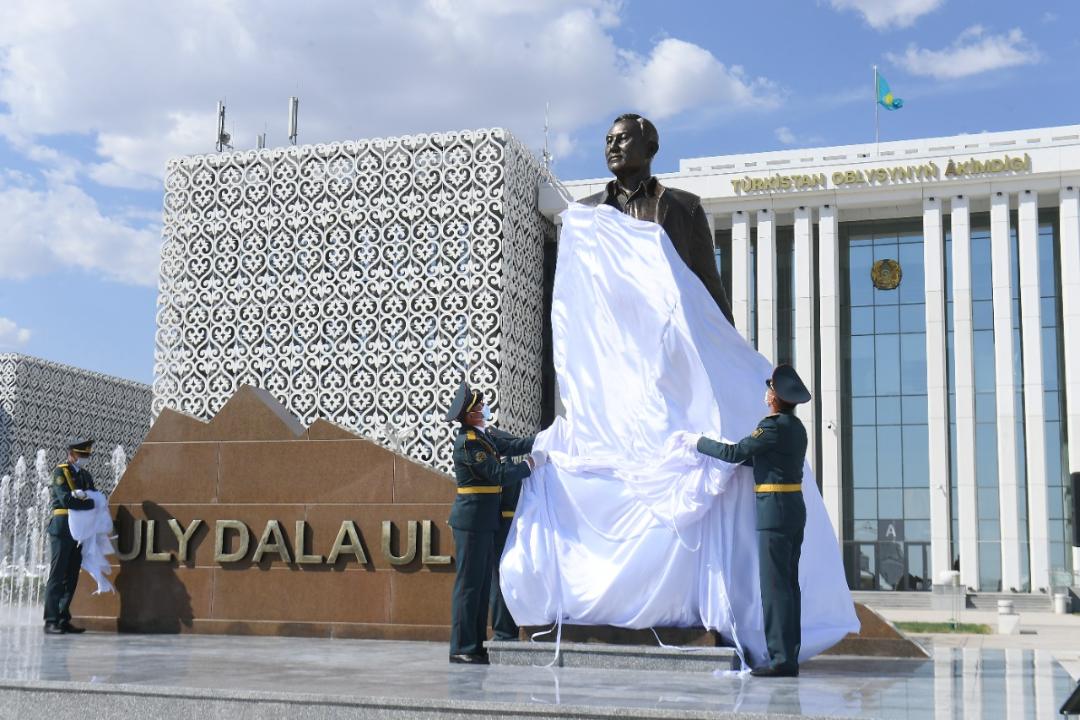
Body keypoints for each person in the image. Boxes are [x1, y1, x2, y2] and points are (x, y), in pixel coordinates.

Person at [696, 365, 810, 677]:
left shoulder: (771, 427)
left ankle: (779, 660)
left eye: (769, 388)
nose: (766, 393)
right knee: (788, 586)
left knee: (774, 588)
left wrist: (699, 443)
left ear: (775, 398)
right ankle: (788, 656)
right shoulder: (795, 428)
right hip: (793, 508)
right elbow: (758, 457)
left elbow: (735, 453)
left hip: (773, 510)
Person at [579, 112, 734, 325]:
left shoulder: (684, 207)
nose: (613, 147)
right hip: (607, 335)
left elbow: (709, 283)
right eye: (608, 141)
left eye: (622, 138)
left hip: (666, 332)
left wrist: (728, 343)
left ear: (650, 149)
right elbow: (574, 287)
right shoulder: (584, 211)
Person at [445, 381, 542, 664]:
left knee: (480, 585)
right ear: (470, 414)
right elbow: (496, 473)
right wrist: (529, 465)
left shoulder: (484, 437)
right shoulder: (469, 443)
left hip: (484, 521)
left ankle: (475, 646)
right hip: (471, 522)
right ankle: (462, 647)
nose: (484, 409)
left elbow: (513, 445)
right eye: (479, 407)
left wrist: (544, 440)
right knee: (468, 587)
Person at [43, 438, 97, 635]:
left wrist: (90, 502)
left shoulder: (85, 475)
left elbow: (95, 497)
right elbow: (66, 499)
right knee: (57, 575)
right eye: (82, 455)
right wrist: (89, 503)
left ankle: (63, 618)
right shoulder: (61, 471)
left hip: (80, 530)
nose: (84, 459)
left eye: (86, 456)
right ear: (72, 454)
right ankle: (50, 620)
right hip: (63, 527)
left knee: (72, 576)